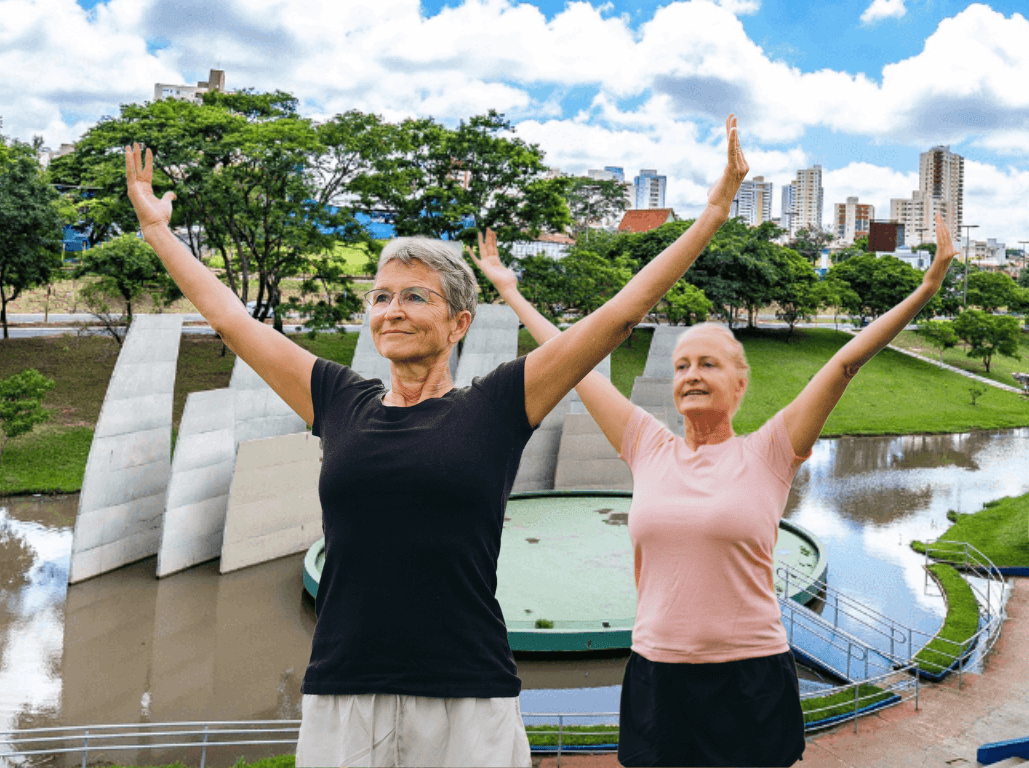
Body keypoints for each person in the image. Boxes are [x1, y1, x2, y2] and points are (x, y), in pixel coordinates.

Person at [119, 115, 750, 768]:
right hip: (345, 692)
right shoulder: (337, 398)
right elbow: (229, 318)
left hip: (467, 696)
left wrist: (710, 214)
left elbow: (618, 316)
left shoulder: (499, 405)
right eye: (381, 296)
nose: (391, 309)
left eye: (415, 296)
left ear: (458, 324)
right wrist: (159, 233)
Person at [472, 213, 959, 767]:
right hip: (658, 670)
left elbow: (845, 363)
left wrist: (925, 288)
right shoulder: (647, 446)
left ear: (740, 381)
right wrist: (511, 292)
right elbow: (575, 363)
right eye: (681, 366)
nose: (691, 375)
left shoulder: (771, 450)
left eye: (708, 363)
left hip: (749, 673)